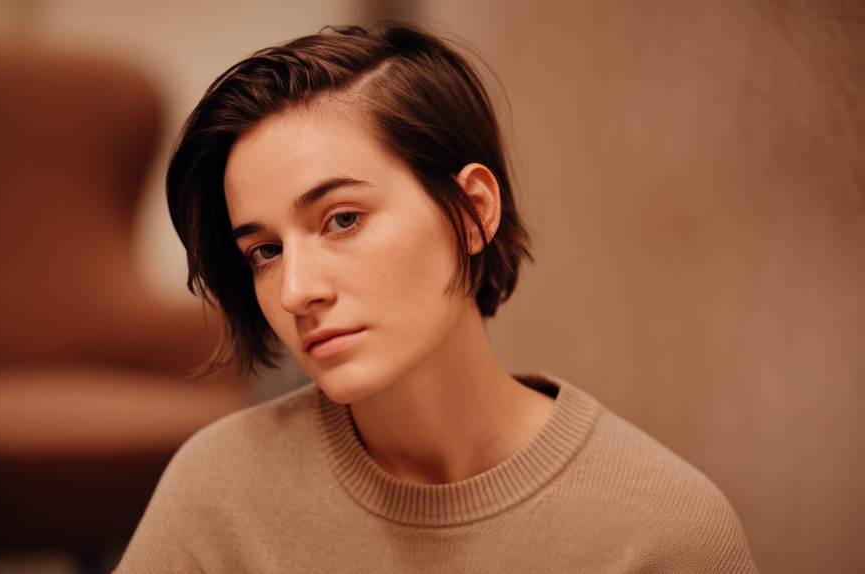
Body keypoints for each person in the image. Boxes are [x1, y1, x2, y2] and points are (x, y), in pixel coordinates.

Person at [115, 22, 758, 573]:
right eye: (264, 250)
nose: (295, 292)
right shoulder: (219, 489)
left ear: (473, 213)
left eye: (342, 220)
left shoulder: (663, 530)